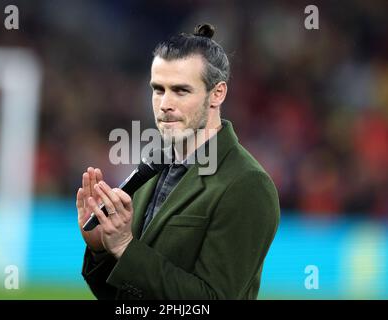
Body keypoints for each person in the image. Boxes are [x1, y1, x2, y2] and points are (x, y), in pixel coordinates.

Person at [76, 24, 280, 299]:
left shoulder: (247, 183)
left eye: (181, 91)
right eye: (158, 89)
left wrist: (126, 246)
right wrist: (102, 248)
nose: (164, 104)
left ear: (217, 94)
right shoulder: (151, 169)